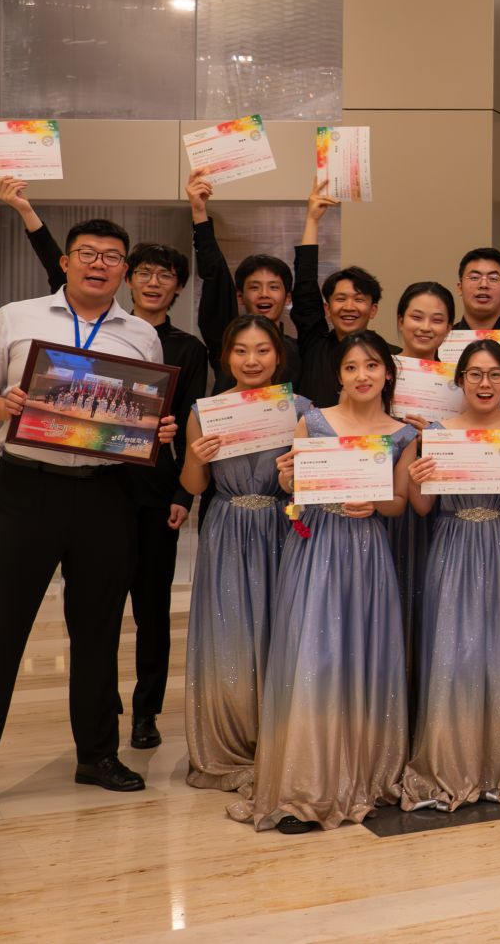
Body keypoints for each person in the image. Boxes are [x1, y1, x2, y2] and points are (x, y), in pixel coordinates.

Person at [0, 219, 179, 820]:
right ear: (65, 262)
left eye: (112, 257)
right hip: (27, 486)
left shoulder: (142, 336)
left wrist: (157, 430)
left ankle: (96, 755)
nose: (99, 264)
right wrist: (7, 404)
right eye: (87, 253)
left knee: (98, 630)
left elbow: (142, 415)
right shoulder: (16, 317)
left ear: (124, 271)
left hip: (106, 493)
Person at [0, 180, 210, 752]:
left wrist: (183, 494)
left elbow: (187, 421)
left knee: (152, 608)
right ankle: (102, 708)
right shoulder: (87, 325)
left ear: (178, 287)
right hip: (96, 487)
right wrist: (26, 211)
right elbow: (56, 261)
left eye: (166, 275)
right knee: (96, 609)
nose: (153, 281)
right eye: (144, 271)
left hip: (153, 490)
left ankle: (145, 713)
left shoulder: (180, 346)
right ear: (127, 278)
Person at [233, 330, 416, 832]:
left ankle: (363, 772)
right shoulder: (312, 422)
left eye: (372, 365)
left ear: (387, 373)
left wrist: (375, 502)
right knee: (313, 657)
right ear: (339, 374)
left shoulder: (402, 433)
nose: (362, 375)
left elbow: (400, 504)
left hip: (368, 553)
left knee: (361, 656)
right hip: (316, 547)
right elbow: (294, 489)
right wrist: (287, 478)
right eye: (352, 367)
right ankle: (304, 785)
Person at [399, 341, 500, 811]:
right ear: (460, 380)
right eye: (475, 374)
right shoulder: (437, 433)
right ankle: (449, 759)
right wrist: (417, 478)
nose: (485, 383)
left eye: (495, 375)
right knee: (453, 651)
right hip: (452, 543)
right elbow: (422, 507)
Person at [177, 316, 304, 793]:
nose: (252, 361)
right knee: (230, 636)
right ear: (226, 357)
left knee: (281, 631)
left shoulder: (301, 410)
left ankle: (281, 739)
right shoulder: (206, 412)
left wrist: (294, 474)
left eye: (262, 350)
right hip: (228, 529)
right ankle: (232, 740)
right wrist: (196, 457)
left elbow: (314, 484)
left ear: (279, 357)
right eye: (241, 351)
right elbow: (194, 486)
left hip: (282, 526)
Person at [187, 168, 297, 389]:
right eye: (254, 287)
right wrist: (199, 212)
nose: (264, 294)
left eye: (273, 287)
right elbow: (215, 276)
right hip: (227, 413)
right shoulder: (226, 338)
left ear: (287, 298)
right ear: (239, 296)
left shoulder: (298, 350)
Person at [289, 179, 392, 407]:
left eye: (359, 299)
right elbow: (305, 288)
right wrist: (312, 220)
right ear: (327, 308)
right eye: (341, 299)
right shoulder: (314, 345)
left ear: (373, 309)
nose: (349, 307)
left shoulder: (388, 354)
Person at [455, 248, 500, 331]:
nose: (483, 285)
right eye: (474, 277)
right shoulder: (444, 338)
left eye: (493, 278)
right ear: (460, 288)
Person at [395, 281, 455, 362]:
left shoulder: (456, 371)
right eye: (417, 317)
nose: (425, 328)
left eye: (437, 320)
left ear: (448, 328)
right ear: (401, 321)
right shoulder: (383, 368)